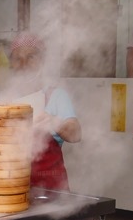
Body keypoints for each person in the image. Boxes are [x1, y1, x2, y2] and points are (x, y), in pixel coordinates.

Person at [9, 33, 82, 191]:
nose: (24, 64)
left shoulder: (56, 96)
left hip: (51, 190)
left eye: (31, 57)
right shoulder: (5, 99)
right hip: (13, 188)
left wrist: (54, 122)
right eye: (17, 58)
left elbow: (76, 134)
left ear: (42, 61)